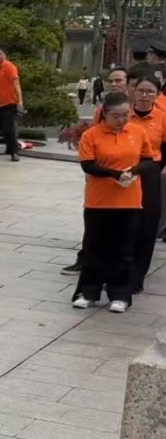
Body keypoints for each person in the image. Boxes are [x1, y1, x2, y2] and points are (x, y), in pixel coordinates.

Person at [74, 90, 150, 312]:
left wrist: (133, 171)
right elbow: (88, 165)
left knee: (124, 249)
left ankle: (120, 294)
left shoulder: (137, 132)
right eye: (116, 116)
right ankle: (89, 292)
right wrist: (115, 174)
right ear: (104, 114)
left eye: (126, 114)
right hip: (99, 201)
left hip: (129, 201)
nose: (122, 120)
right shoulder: (91, 135)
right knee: (95, 248)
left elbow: (148, 160)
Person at [62, 67, 131, 275]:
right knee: (94, 220)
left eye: (119, 80)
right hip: (103, 173)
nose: (115, 84)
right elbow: (94, 133)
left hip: (131, 175)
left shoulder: (135, 106)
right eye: (112, 80)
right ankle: (86, 259)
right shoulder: (103, 107)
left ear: (128, 82)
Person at [127, 70, 165, 295]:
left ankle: (137, 277)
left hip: (150, 173)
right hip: (124, 172)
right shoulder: (123, 114)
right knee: (122, 224)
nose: (144, 95)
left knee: (147, 225)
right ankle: (117, 272)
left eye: (150, 92)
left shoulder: (162, 117)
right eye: (140, 90)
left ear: (158, 94)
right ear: (133, 91)